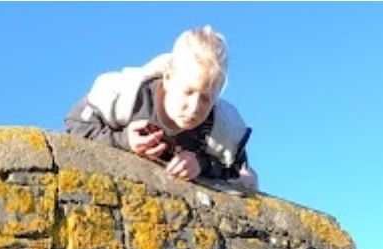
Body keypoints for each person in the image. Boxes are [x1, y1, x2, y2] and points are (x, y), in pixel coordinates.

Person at [64, 26, 258, 192]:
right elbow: (75, 124)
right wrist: (123, 141)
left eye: (206, 98)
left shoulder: (221, 128)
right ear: (168, 78)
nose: (194, 107)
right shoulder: (129, 99)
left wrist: (201, 163)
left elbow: (237, 171)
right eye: (188, 91)